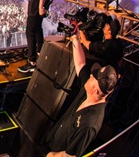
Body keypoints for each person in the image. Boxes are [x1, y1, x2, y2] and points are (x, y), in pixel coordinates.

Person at [45, 26, 118, 157]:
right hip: (51, 142)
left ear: (95, 90)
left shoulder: (89, 125)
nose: (90, 75)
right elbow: (80, 64)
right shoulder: (88, 91)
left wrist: (52, 155)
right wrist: (75, 39)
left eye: (93, 77)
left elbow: (70, 155)